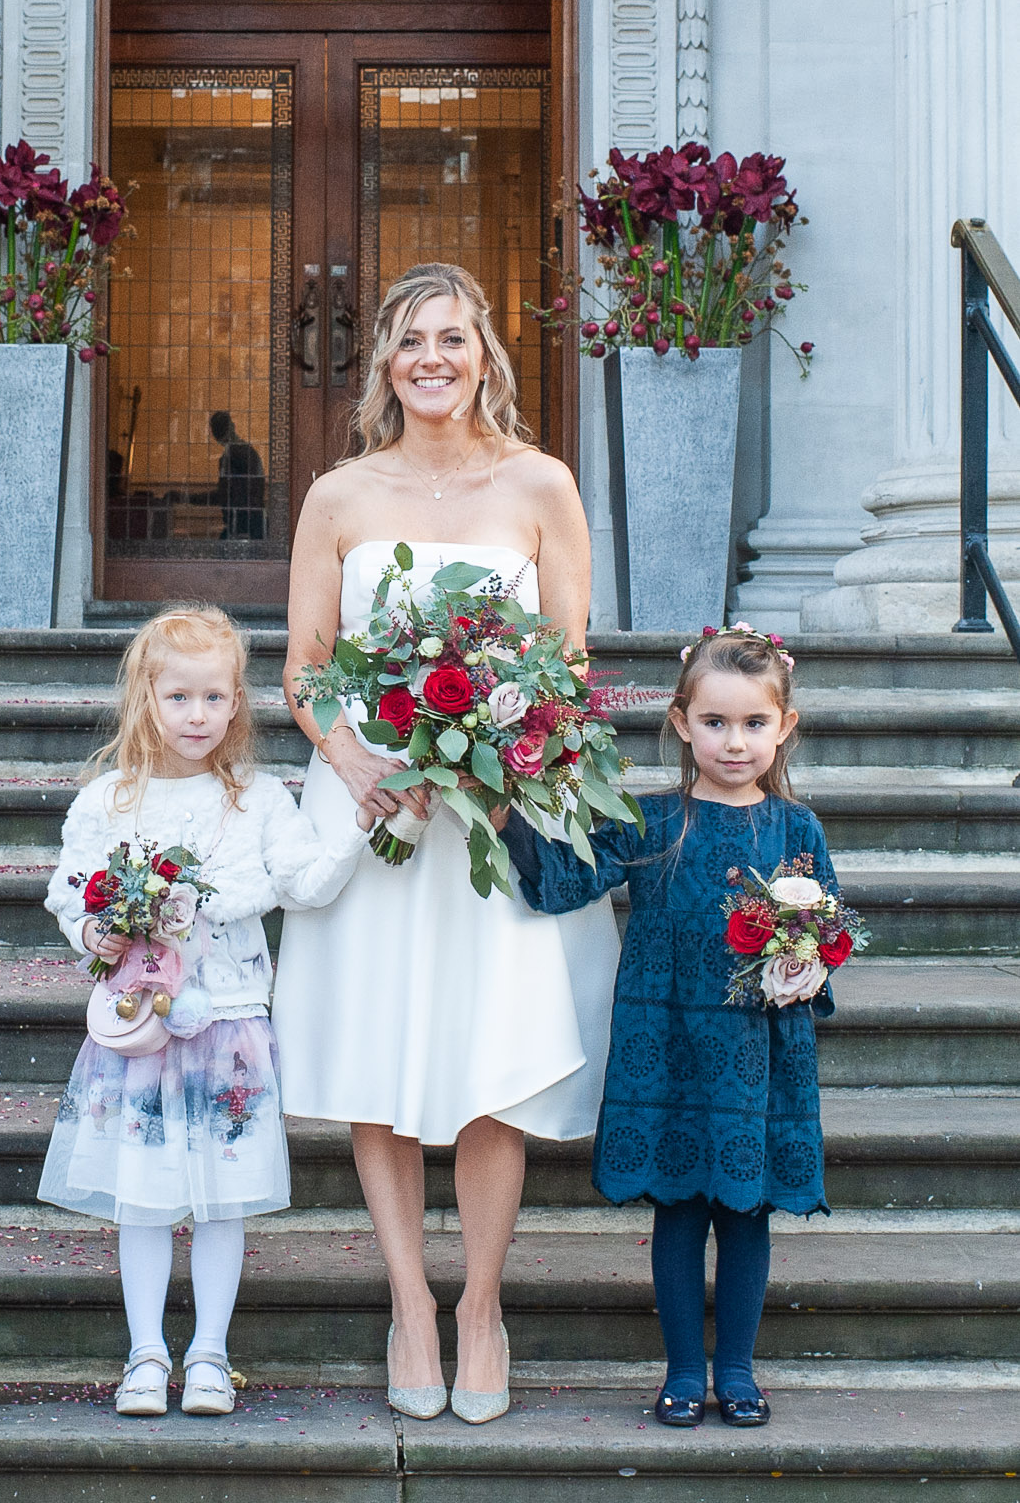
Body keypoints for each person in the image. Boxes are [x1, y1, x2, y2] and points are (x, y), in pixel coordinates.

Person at [272, 261, 621, 1426]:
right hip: (377, 811)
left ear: (485, 357)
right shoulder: (337, 494)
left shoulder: (539, 483)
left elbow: (565, 665)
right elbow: (306, 669)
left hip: (493, 808)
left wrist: (506, 753)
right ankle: (409, 1302)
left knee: (490, 1063)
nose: (432, 358)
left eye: (453, 339)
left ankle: (480, 1305)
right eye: (411, 339)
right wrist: (355, 760)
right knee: (378, 1057)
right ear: (382, 358)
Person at [500, 625, 839, 1430]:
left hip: (756, 1054)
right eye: (715, 722)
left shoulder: (798, 831)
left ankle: (738, 1371)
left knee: (745, 1211)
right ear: (681, 722)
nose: (734, 741)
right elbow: (559, 884)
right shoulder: (650, 820)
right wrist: (503, 802)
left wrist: (807, 961)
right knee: (680, 1212)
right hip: (670, 1050)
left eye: (753, 724)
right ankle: (684, 1371)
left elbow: (826, 934)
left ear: (782, 727)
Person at [40, 606, 369, 1419]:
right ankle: (146, 1354)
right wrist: (98, 925)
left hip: (227, 1025)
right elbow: (69, 889)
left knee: (223, 1201)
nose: (197, 716)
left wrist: (359, 828)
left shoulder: (256, 799)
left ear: (236, 703)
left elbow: (301, 883)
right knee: (143, 1199)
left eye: (214, 698)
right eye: (179, 697)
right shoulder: (111, 800)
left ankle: (211, 1354)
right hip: (138, 1027)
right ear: (145, 697)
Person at [194, 410, 267, 539]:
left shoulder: (231, 455)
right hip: (255, 521)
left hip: (240, 525)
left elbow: (224, 494)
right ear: (232, 426)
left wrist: (186, 498)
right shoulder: (249, 451)